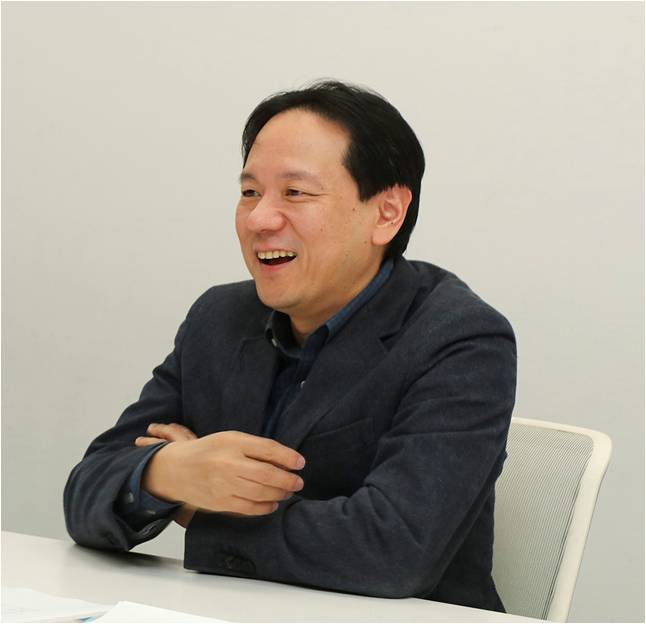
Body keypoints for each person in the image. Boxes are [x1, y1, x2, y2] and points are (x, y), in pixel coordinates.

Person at [64, 80, 517, 612]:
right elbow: (86, 492)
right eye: (250, 192)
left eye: (295, 193)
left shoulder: (460, 339)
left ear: (387, 213)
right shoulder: (218, 317)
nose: (260, 219)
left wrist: (199, 511)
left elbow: (393, 550)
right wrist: (170, 473)